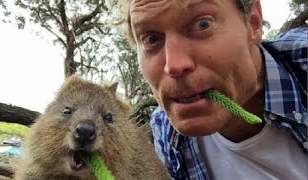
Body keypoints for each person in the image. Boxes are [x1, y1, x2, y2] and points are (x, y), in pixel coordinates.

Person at [108, 0, 307, 179]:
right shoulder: (167, 134)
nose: (174, 65)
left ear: (253, 21)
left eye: (202, 24)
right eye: (151, 39)